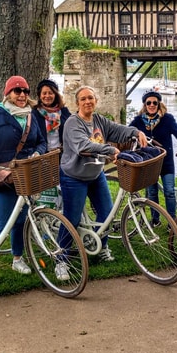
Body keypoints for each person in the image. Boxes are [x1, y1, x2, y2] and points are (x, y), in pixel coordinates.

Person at [60, 86, 148, 263]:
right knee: (72, 219)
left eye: (91, 98)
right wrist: (110, 149)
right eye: (83, 99)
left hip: (95, 174)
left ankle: (101, 247)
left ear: (96, 101)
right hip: (74, 177)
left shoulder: (99, 120)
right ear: (77, 103)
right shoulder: (73, 123)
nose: (87, 102)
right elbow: (83, 146)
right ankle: (61, 258)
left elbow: (118, 130)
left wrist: (136, 132)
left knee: (107, 214)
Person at [0, 75, 47, 273]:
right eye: (17, 91)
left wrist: (38, 153)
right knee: (0, 223)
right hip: (1, 176)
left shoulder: (31, 115)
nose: (22, 95)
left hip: (25, 174)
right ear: (8, 93)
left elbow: (41, 141)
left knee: (21, 221)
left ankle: (17, 258)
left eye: (25, 91)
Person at [130, 90, 177, 226]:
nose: (152, 105)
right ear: (145, 105)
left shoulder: (167, 119)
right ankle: (155, 220)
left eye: (155, 102)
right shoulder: (138, 121)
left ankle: (172, 221)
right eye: (149, 102)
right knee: (152, 193)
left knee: (169, 191)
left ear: (159, 104)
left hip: (166, 162)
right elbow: (126, 133)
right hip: (149, 163)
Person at [32, 78, 71, 151]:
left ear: (55, 95)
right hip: (42, 155)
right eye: (44, 93)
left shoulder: (64, 112)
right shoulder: (34, 114)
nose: (47, 96)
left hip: (61, 153)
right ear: (40, 96)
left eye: (50, 93)